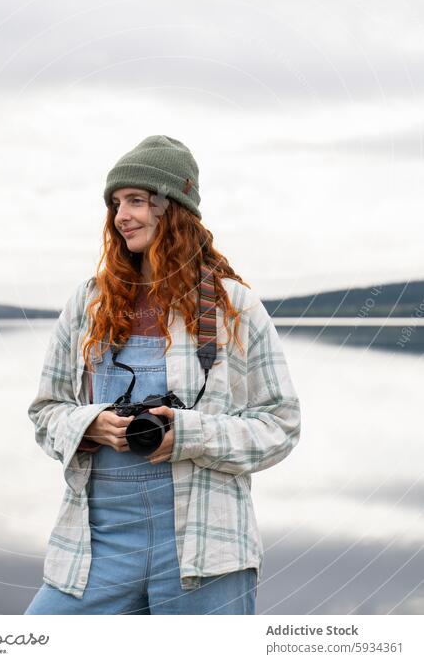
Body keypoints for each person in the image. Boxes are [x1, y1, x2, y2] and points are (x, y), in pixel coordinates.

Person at [24, 134, 301, 615]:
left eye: (135, 200)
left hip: (204, 554)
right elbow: (45, 412)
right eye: (115, 203)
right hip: (96, 551)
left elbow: (281, 426)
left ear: (172, 209)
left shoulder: (236, 308)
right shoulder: (87, 304)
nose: (120, 216)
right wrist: (86, 424)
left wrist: (189, 433)